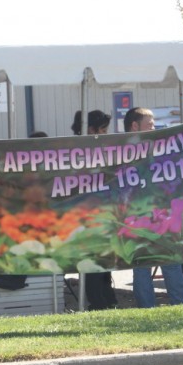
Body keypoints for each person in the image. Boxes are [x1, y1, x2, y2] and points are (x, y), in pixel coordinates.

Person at [124, 107, 183, 308]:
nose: (155, 127)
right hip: (142, 215)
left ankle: (153, 307)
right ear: (135, 126)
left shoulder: (119, 150)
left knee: (158, 263)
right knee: (157, 264)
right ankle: (177, 305)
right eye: (150, 124)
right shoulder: (139, 151)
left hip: (154, 214)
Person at [71, 109, 117, 310]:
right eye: (103, 129)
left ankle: (106, 298)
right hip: (85, 216)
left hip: (103, 214)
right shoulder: (75, 151)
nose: (106, 134)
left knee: (104, 260)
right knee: (92, 262)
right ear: (90, 129)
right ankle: (97, 301)